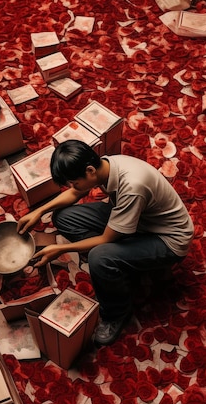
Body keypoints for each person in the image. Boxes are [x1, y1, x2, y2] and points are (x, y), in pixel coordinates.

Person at [16, 139, 194, 346]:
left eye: (74, 182)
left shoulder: (132, 186)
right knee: (63, 217)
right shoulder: (105, 165)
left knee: (100, 257)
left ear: (90, 170)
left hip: (168, 239)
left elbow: (106, 239)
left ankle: (117, 313)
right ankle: (121, 262)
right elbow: (75, 193)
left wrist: (60, 249)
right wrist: (39, 211)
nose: (73, 188)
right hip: (139, 221)